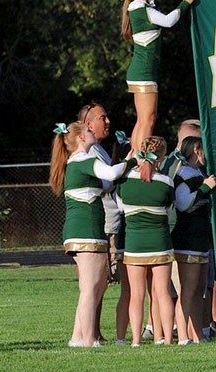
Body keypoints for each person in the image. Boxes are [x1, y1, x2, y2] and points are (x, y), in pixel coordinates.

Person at [49, 122, 135, 347]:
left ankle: (78, 337)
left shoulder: (80, 163)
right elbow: (112, 172)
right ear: (79, 138)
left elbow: (107, 184)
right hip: (85, 230)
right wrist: (133, 160)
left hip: (87, 228)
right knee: (91, 287)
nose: (92, 132)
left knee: (95, 286)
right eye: (88, 130)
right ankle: (88, 340)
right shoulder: (83, 160)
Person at [118, 0, 195, 178]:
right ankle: (142, 162)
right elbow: (169, 20)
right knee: (148, 120)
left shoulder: (143, 5)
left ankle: (134, 157)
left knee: (144, 119)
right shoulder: (142, 11)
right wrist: (185, 4)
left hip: (142, 71)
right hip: (143, 72)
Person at [118, 136, 176, 346]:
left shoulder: (124, 181)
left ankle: (135, 340)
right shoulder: (166, 182)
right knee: (162, 293)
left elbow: (120, 206)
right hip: (160, 242)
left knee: (136, 294)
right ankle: (167, 339)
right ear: (160, 157)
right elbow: (170, 208)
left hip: (134, 244)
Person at [77, 102, 127, 344]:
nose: (107, 121)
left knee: (99, 284)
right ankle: (90, 334)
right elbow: (108, 181)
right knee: (97, 284)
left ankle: (91, 333)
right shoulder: (91, 151)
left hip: (107, 223)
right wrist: (131, 160)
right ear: (88, 124)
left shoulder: (99, 149)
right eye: (102, 118)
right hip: (104, 225)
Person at [172, 136, 216, 344]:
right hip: (187, 238)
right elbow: (183, 204)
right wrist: (205, 188)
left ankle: (198, 334)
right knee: (188, 290)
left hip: (201, 238)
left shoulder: (199, 173)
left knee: (199, 290)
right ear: (197, 150)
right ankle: (183, 335)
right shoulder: (183, 174)